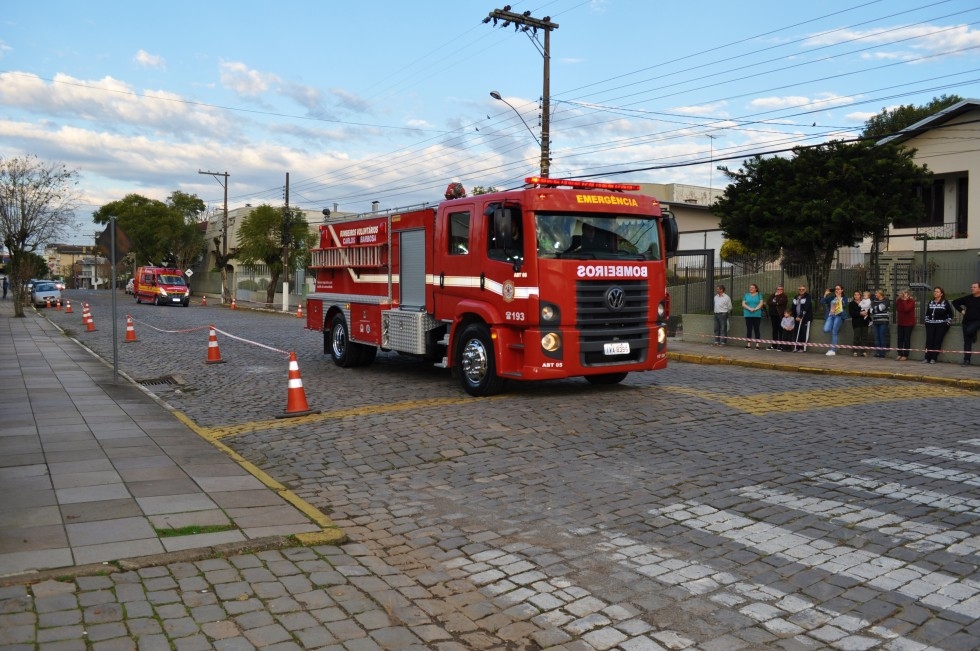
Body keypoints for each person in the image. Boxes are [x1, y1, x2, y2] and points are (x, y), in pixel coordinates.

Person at [923, 286, 953, 364]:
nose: (935, 293)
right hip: (930, 324)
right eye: (934, 291)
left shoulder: (945, 303)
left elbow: (950, 314)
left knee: (937, 341)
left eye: (937, 292)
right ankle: (927, 357)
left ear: (941, 294)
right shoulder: (931, 302)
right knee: (929, 340)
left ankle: (934, 358)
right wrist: (926, 321)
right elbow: (927, 313)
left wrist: (947, 323)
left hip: (941, 325)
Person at [952, 281, 980, 366]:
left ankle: (973, 334)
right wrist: (962, 310)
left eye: (974, 287)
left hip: (978, 321)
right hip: (966, 321)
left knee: (969, 331)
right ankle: (966, 360)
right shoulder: (968, 298)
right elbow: (955, 302)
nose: (972, 288)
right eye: (971, 287)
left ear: (979, 289)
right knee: (967, 342)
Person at [822, 284, 847, 356]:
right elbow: (822, 302)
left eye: (838, 289)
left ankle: (833, 349)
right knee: (826, 329)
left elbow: (844, 305)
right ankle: (835, 343)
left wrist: (839, 297)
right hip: (831, 316)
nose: (837, 290)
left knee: (834, 332)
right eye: (836, 289)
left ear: (842, 290)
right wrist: (825, 294)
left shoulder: (844, 298)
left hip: (839, 316)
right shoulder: (832, 297)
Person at [895, 289, 916, 361]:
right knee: (900, 338)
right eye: (901, 294)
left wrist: (905, 300)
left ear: (908, 295)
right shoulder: (898, 301)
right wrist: (902, 300)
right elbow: (899, 309)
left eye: (904, 294)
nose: (902, 295)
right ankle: (899, 353)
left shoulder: (911, 301)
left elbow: (906, 309)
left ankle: (905, 354)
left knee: (906, 339)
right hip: (901, 322)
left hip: (909, 323)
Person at [869, 289, 891, 358]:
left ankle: (882, 353)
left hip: (883, 321)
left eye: (876, 293)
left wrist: (875, 309)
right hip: (875, 321)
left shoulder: (886, 300)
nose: (875, 294)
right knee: (877, 337)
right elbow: (871, 310)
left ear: (880, 294)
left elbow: (880, 308)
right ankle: (878, 352)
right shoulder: (873, 301)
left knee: (882, 337)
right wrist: (876, 309)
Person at [848, 290, 870, 357]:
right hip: (856, 322)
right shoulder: (851, 304)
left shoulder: (865, 302)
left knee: (864, 337)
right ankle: (855, 351)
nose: (856, 296)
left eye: (858, 295)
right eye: (855, 295)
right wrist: (860, 313)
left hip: (864, 322)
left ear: (860, 296)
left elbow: (868, 311)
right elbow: (852, 313)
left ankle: (863, 351)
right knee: (856, 336)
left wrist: (866, 313)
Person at [742, 283, 764, 349]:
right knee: (749, 329)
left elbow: (761, 303)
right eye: (750, 287)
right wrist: (749, 308)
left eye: (752, 287)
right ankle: (748, 344)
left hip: (757, 314)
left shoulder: (759, 295)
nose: (750, 289)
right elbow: (743, 304)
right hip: (748, 314)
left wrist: (755, 309)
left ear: (756, 289)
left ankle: (757, 345)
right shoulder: (746, 295)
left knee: (756, 329)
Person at [792, 285, 813, 352]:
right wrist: (795, 316)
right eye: (800, 289)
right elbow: (793, 307)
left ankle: (802, 347)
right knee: (797, 332)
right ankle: (797, 347)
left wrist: (801, 316)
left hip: (805, 318)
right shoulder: (796, 297)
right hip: (797, 318)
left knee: (804, 332)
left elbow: (806, 307)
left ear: (805, 289)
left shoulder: (808, 297)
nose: (801, 290)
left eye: (803, 289)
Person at [766, 285, 788, 350]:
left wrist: (775, 300)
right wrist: (774, 298)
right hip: (773, 315)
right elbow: (768, 302)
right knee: (774, 330)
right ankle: (774, 345)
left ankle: (781, 345)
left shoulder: (784, 296)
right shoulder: (773, 295)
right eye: (778, 289)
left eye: (781, 289)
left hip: (780, 315)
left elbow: (779, 302)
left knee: (780, 330)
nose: (779, 290)